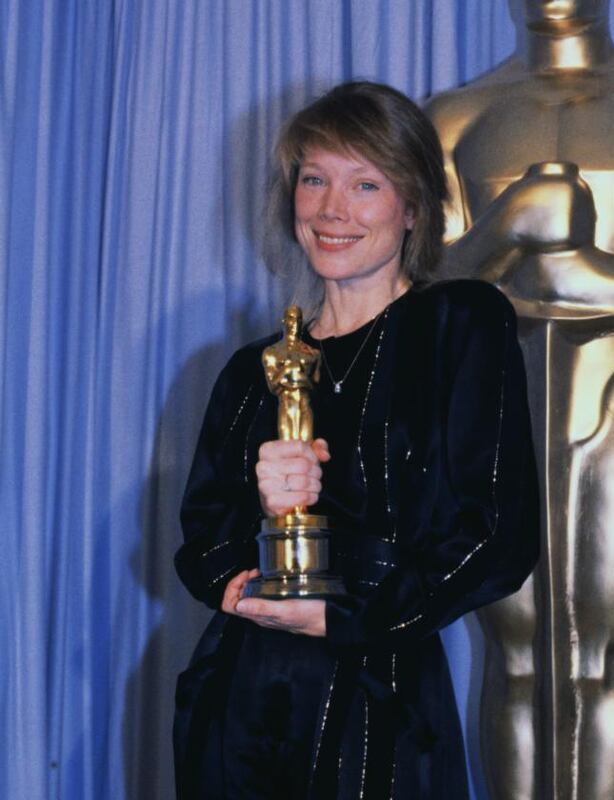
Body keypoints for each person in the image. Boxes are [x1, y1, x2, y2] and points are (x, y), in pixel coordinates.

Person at [173, 81, 538, 800]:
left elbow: (496, 532)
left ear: (413, 208)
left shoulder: (458, 325)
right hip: (241, 702)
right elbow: (200, 536)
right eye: (315, 180)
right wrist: (244, 569)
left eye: (365, 184)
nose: (332, 210)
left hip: (380, 699)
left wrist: (353, 615)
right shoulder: (253, 369)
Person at [426, 1, 614, 797]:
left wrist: (559, 275)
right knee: (514, 650)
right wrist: (511, 225)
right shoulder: (453, 116)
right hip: (492, 403)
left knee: (603, 648)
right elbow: (430, 287)